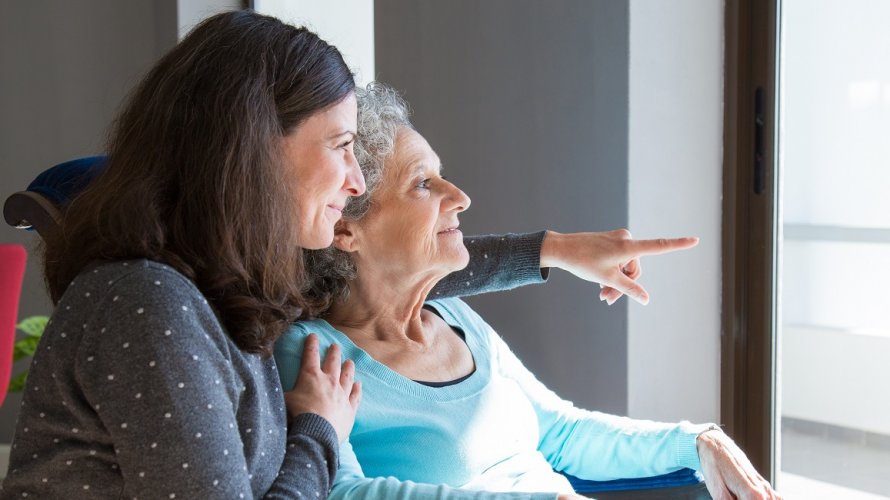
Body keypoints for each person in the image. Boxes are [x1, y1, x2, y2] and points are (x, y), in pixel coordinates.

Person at [1, 11, 699, 500]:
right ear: (254, 149)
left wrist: (556, 252)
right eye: (339, 147)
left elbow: (391, 263)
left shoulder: (230, 288)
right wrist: (318, 432)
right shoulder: (149, 304)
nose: (356, 181)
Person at [275, 83, 781, 500]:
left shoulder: (455, 317)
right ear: (347, 230)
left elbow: (561, 434)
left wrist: (696, 442)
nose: (460, 197)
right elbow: (346, 493)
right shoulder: (314, 354)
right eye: (423, 185)